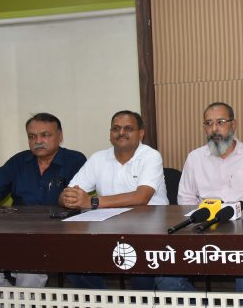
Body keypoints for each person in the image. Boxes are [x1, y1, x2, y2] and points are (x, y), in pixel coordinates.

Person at [0, 113, 86, 287]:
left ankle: (23, 299)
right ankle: (5, 299)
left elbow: (78, 200)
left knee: (30, 268)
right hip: (16, 230)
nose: (38, 141)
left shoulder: (75, 160)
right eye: (32, 136)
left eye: (45, 135)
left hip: (55, 234)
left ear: (60, 136)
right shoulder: (19, 161)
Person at [160, 102, 243, 292]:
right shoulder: (195, 158)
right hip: (203, 231)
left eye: (220, 122)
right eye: (208, 123)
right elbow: (185, 200)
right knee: (166, 278)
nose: (214, 128)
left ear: (233, 124)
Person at [60, 110, 168, 290]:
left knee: (140, 274)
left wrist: (92, 202)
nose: (121, 133)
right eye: (116, 128)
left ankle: (139, 301)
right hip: (108, 228)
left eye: (128, 129)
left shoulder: (150, 156)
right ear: (110, 134)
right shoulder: (98, 158)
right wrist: (69, 198)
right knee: (74, 260)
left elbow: (141, 197)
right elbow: (68, 192)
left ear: (141, 133)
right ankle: (103, 299)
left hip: (148, 230)